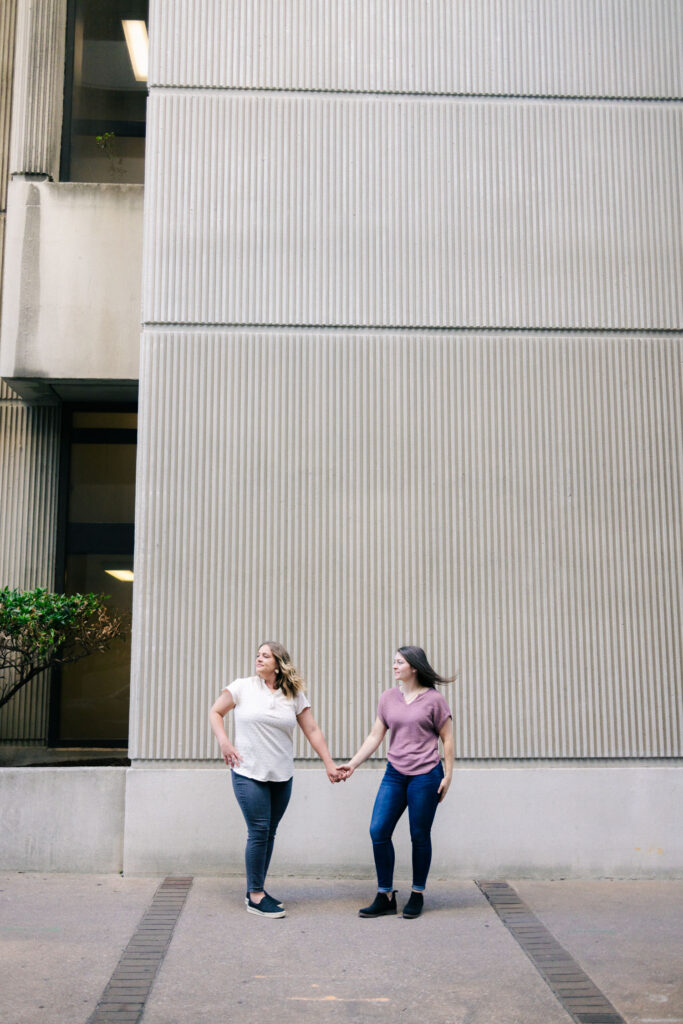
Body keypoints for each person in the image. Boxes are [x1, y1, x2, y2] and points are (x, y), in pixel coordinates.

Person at [210, 640, 343, 918]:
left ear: (279, 662)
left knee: (269, 832)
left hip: (281, 775)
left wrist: (329, 763)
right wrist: (224, 742)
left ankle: (257, 888)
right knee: (258, 830)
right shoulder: (242, 687)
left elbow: (312, 730)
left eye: (265, 655)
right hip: (248, 772)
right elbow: (216, 712)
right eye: (257, 654)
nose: (258, 658)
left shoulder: (293, 694)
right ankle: (255, 896)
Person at [339, 645, 455, 919]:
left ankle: (417, 894)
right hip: (395, 774)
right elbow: (374, 736)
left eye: (399, 662)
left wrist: (448, 775)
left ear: (414, 667)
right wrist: (353, 764)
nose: (394, 666)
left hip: (426, 775)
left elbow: (447, 738)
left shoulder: (434, 700)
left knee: (419, 834)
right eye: (394, 661)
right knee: (378, 831)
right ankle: (386, 895)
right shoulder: (387, 698)